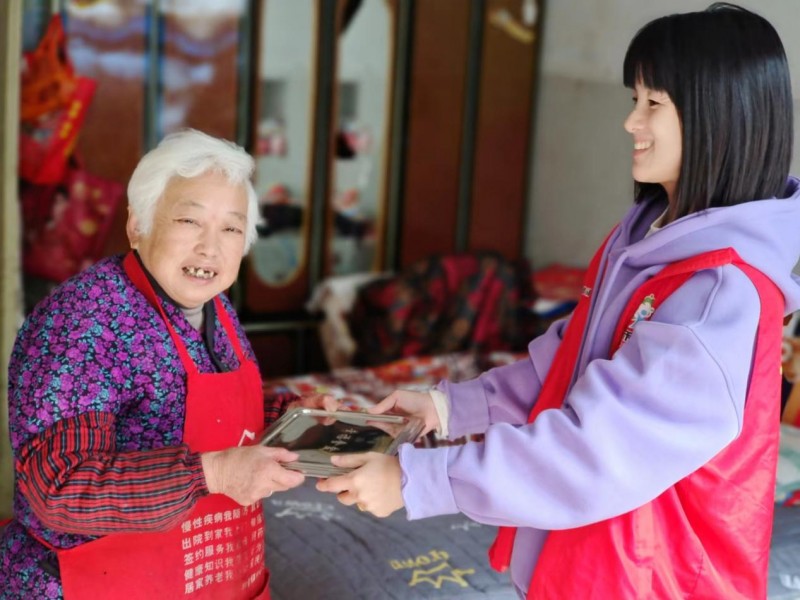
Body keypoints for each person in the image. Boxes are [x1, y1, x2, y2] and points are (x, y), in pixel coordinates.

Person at [317, 4, 800, 598]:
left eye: (654, 104)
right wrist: (447, 410)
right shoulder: (647, 238)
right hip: (596, 561)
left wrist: (420, 480)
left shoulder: (717, 297)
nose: (631, 123)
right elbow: (569, 367)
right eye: (634, 99)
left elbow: (594, 452)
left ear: (717, 119)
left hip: (657, 580)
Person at [0, 128, 336, 599]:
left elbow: (200, 415)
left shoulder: (214, 308)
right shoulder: (86, 318)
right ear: (138, 224)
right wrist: (213, 475)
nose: (210, 247)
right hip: (94, 583)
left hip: (201, 576)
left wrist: (296, 418)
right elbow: (58, 486)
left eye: (231, 228)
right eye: (189, 221)